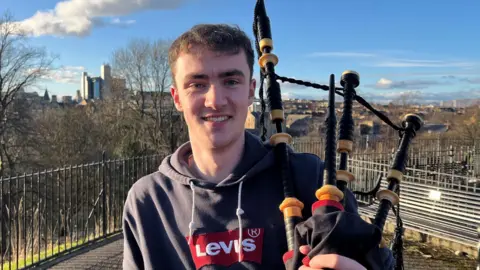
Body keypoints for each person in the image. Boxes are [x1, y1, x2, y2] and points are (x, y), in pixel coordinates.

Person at [122, 23, 394, 270]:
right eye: (197, 84)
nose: (215, 100)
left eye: (231, 81)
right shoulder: (147, 201)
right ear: (176, 97)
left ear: (251, 90)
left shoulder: (314, 180)